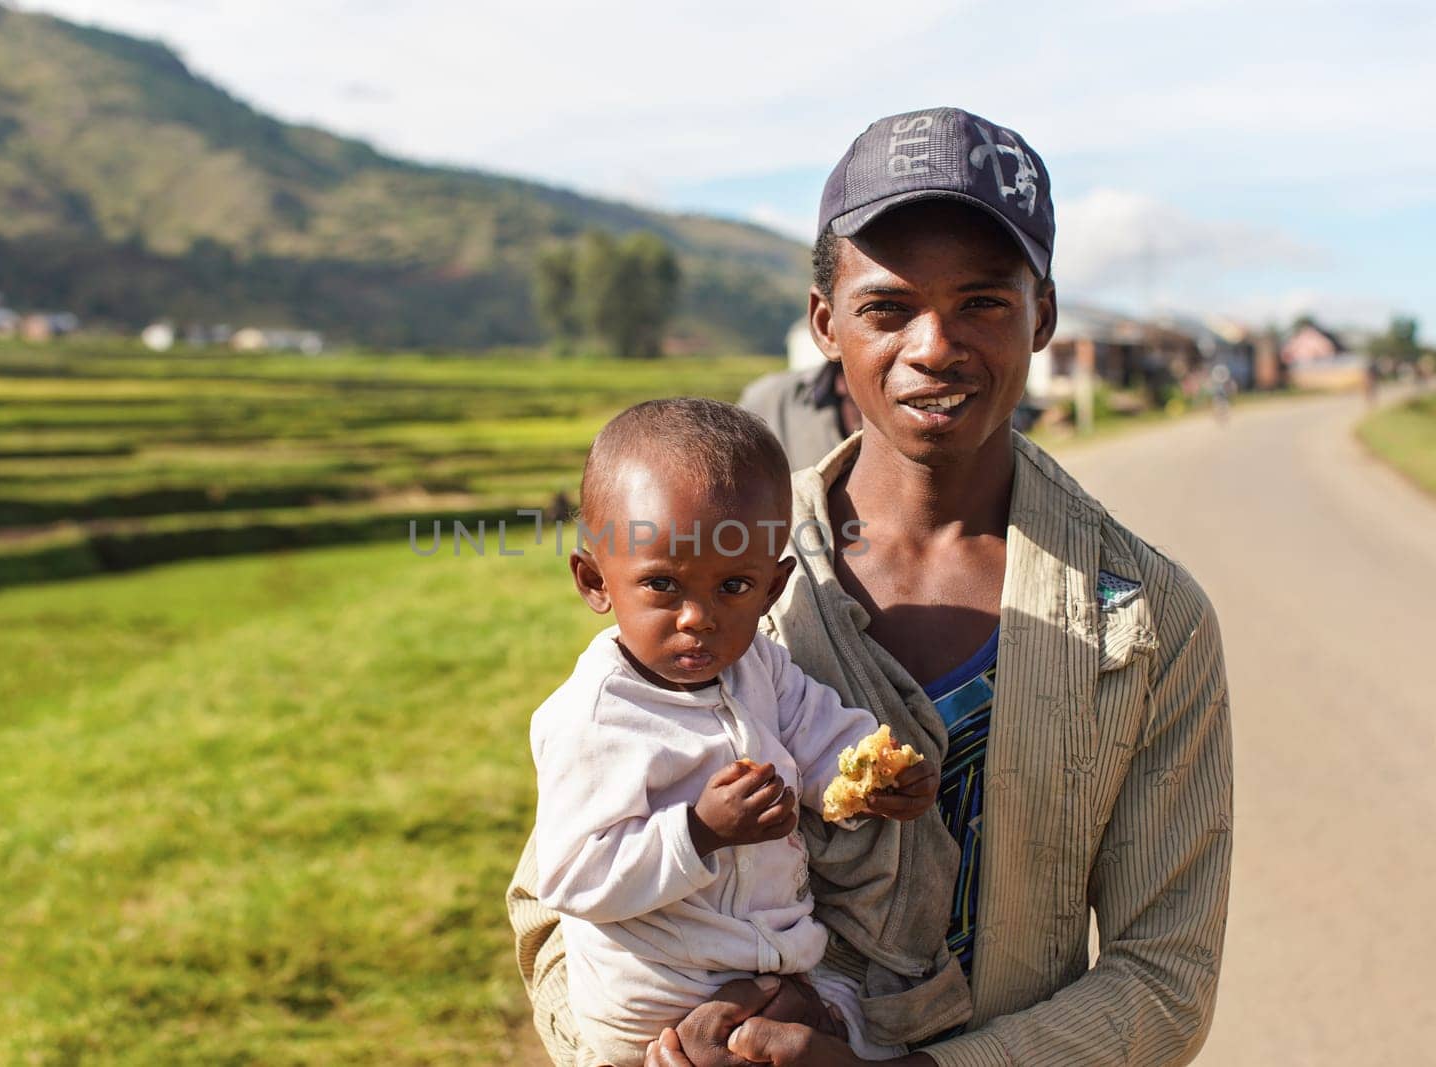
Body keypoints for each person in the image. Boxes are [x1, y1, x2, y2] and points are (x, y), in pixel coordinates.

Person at [509, 106, 1233, 1067]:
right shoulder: (717, 575)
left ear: (1043, 317)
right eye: (888, 308)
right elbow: (553, 910)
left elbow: (1163, 981)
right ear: (826, 324)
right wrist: (645, 1051)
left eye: (983, 301)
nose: (935, 345)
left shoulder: (1144, 621)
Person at [532, 398, 964, 1066]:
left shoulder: (757, 663)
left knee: (875, 1028)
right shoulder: (595, 718)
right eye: (663, 585)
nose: (697, 617)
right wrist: (698, 830)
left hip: (766, 960)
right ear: (595, 580)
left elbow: (814, 725)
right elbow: (570, 875)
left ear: (772, 589)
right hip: (656, 992)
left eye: (733, 585)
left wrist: (868, 775)